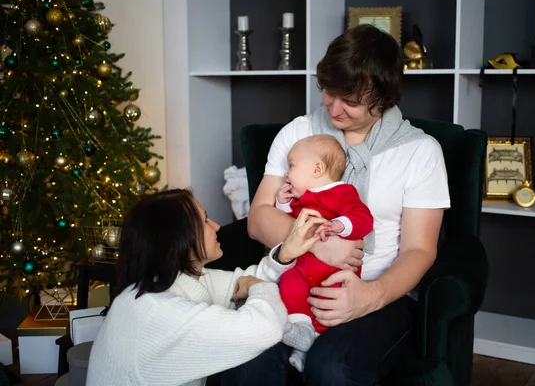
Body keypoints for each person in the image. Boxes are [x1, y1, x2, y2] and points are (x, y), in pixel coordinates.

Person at [222, 24, 450, 385]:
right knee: (247, 353)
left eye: (351, 101)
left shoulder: (421, 152)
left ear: (383, 98)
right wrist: (319, 242)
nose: (334, 107)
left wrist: (369, 296)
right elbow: (259, 218)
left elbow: (420, 250)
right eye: (328, 91)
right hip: (294, 279)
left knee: (332, 367)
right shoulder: (299, 135)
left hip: (378, 291)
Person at [86, 189, 328, 386]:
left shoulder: (179, 282)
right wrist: (257, 287)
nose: (216, 226)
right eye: (204, 220)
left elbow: (247, 281)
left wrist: (285, 254)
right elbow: (265, 328)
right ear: (178, 239)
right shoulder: (156, 313)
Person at [274, 134, 374, 372]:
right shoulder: (301, 200)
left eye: (292, 166)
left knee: (327, 307)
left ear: (317, 168)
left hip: (333, 274)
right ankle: (302, 333)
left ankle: (309, 346)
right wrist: (282, 203)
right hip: (301, 269)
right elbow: (286, 224)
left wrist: (340, 225)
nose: (287, 174)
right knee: (288, 283)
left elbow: (363, 218)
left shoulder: (343, 192)